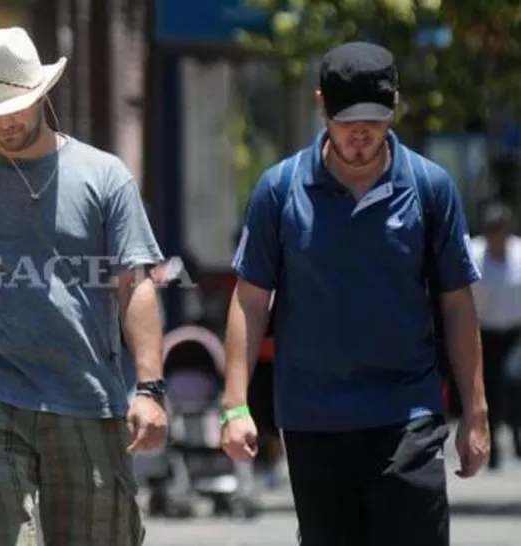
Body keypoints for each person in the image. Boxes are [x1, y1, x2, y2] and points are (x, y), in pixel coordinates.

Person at [220, 42, 490, 545]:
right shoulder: (280, 190)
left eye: (375, 118)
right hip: (313, 417)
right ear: (322, 105)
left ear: (394, 106)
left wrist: (476, 414)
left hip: (407, 410)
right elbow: (250, 299)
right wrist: (236, 405)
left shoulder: (430, 188)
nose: (361, 133)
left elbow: (457, 303)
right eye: (348, 120)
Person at [0, 27, 167, 546]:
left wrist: (149, 388)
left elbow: (133, 285)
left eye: (17, 105)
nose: (4, 122)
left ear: (41, 94)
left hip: (85, 395)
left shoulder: (104, 176)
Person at [470, 201, 521, 467]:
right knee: (489, 390)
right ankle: (493, 449)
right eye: (491, 228)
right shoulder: (474, 253)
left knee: (513, 380)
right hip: (484, 333)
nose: (495, 234)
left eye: (499, 228)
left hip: (515, 333)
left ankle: (516, 434)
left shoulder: (519, 254)